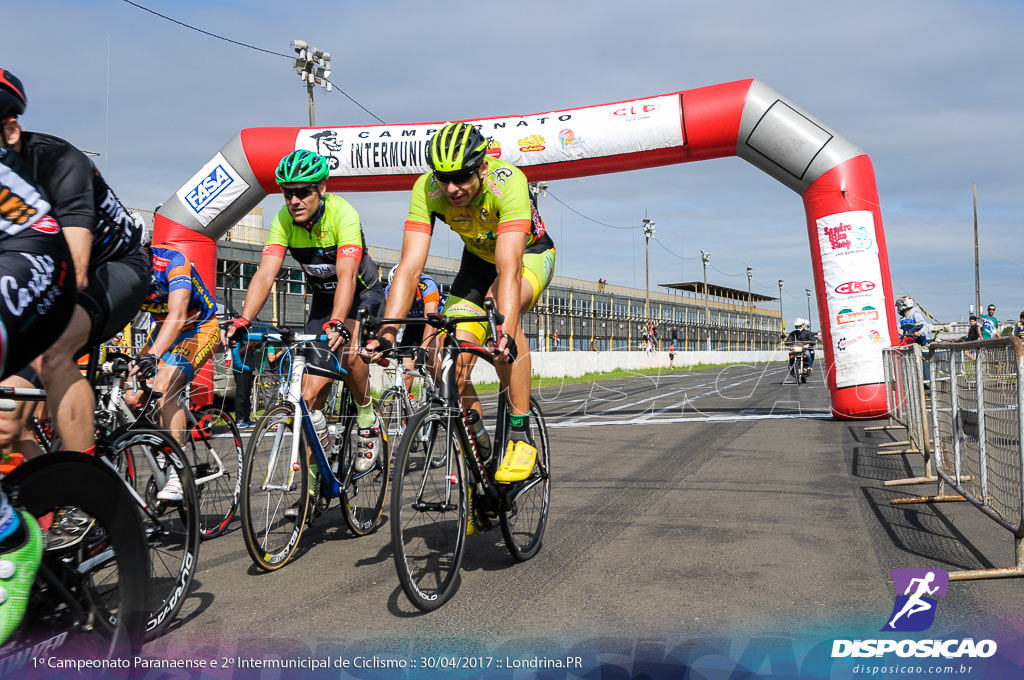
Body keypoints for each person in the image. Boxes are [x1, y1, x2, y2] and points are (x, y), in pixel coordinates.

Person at [363, 122, 556, 484]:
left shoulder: (508, 182)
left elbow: (509, 268)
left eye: (462, 177)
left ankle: (519, 431)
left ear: (482, 167)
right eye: (443, 177)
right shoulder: (427, 188)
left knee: (499, 312)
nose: (451, 188)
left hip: (527, 255)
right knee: (444, 357)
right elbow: (409, 268)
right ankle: (480, 453)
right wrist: (387, 333)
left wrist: (506, 334)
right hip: (476, 264)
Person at [0, 68, 149, 459]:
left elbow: (73, 274)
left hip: (111, 267)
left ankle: (87, 487)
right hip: (44, 277)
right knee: (7, 421)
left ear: (10, 130)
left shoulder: (60, 163)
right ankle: (45, 498)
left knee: (50, 355)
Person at [222, 150, 385, 473]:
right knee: (308, 401)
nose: (294, 200)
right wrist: (244, 318)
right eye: (287, 193)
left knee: (349, 353)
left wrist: (338, 322)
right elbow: (266, 273)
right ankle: (313, 488)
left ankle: (367, 418)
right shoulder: (283, 220)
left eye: (303, 191)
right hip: (325, 300)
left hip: (361, 294)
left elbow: (347, 276)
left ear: (322, 188)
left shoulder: (343, 214)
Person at [0, 143, 77, 642]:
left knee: (163, 381)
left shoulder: (169, 273)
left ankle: (14, 534)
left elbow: (179, 319)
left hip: (34, 259)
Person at [125, 244, 220, 501]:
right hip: (163, 331)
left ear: (145, 250)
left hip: (199, 328)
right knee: (131, 396)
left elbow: (178, 316)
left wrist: (152, 356)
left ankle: (179, 469)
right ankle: (163, 449)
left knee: (166, 386)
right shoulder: (122, 270)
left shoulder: (172, 262)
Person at [383, 265, 442, 398]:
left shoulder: (427, 285)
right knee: (405, 374)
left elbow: (430, 320)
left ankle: (443, 393)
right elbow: (390, 320)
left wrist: (424, 348)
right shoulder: (389, 290)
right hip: (413, 323)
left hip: (434, 321)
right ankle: (408, 409)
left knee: (431, 359)